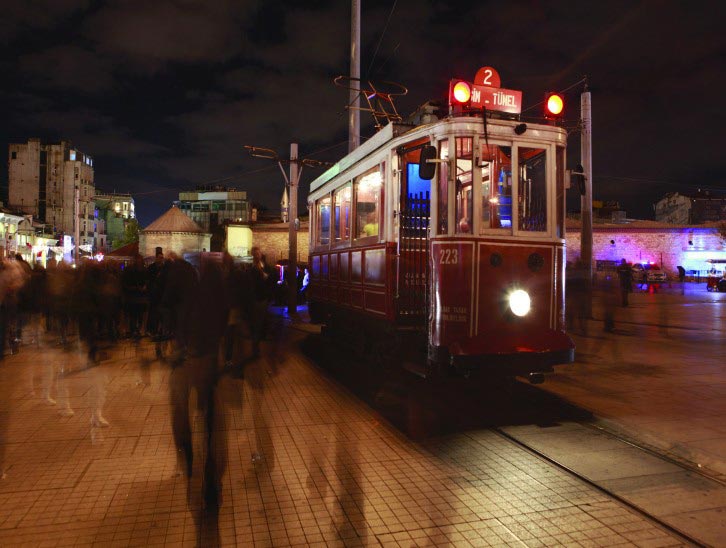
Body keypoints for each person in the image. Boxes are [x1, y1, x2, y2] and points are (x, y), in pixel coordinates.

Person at [249, 246, 275, 357]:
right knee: (257, 323)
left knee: (261, 321)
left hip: (263, 297)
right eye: (255, 254)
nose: (257, 256)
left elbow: (272, 278)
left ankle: (257, 344)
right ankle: (255, 347)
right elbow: (252, 284)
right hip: (257, 298)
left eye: (258, 254)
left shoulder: (265, 266)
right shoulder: (252, 269)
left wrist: (267, 278)